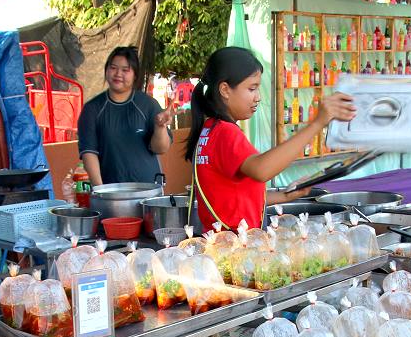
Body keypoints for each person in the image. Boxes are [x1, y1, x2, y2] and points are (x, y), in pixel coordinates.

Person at [186, 47, 356, 230]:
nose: (258, 97)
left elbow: (236, 197)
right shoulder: (225, 132)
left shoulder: (210, 129)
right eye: (252, 89)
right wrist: (317, 124)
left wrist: (285, 196)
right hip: (236, 248)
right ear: (225, 90)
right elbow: (262, 169)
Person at [78, 46, 173, 186]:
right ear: (106, 70)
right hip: (111, 193)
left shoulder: (148, 105)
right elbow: (89, 153)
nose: (118, 74)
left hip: (149, 191)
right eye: (113, 68)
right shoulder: (92, 109)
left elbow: (160, 148)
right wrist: (101, 191)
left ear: (135, 75)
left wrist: (160, 127)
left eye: (125, 70)